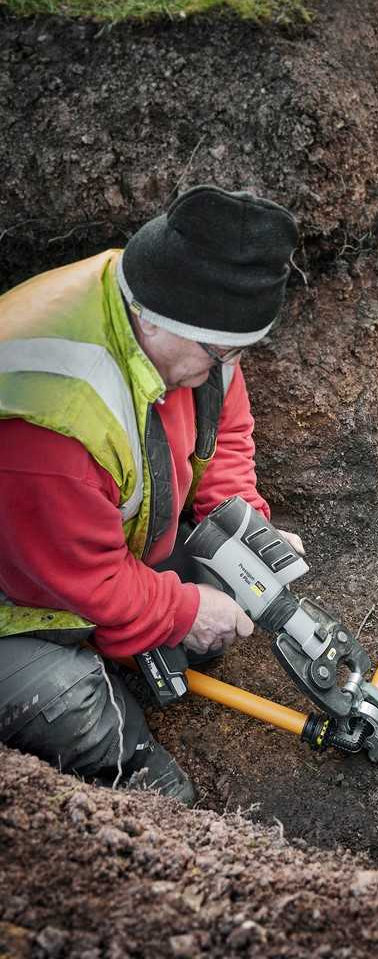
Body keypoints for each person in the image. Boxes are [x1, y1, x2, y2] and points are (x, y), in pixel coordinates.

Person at [0, 185, 300, 803]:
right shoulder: (53, 424)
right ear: (160, 324)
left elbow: (224, 426)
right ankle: (141, 786)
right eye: (220, 354)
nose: (227, 364)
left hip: (78, 547)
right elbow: (88, 582)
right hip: (17, 600)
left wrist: (239, 519)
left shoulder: (176, 306)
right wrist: (183, 611)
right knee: (72, 705)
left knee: (209, 606)